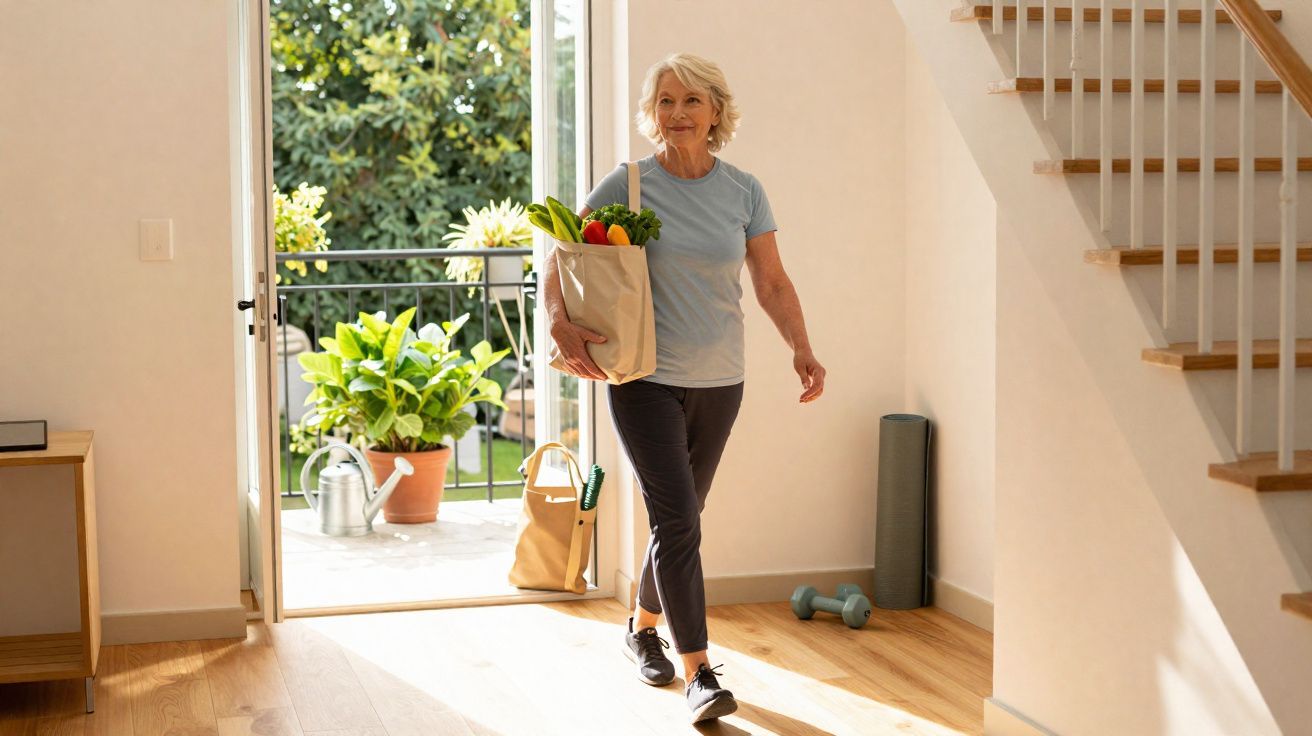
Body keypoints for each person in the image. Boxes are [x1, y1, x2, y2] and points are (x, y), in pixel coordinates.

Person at [542, 51, 826, 725]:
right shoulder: (629, 184)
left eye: (691, 101)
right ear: (653, 112)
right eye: (665, 102)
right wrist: (558, 323)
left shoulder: (744, 191)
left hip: (721, 378)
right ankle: (700, 671)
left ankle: (640, 627)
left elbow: (772, 282)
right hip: (640, 376)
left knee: (683, 519)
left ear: (717, 112)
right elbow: (562, 257)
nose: (677, 114)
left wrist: (803, 350)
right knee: (679, 520)